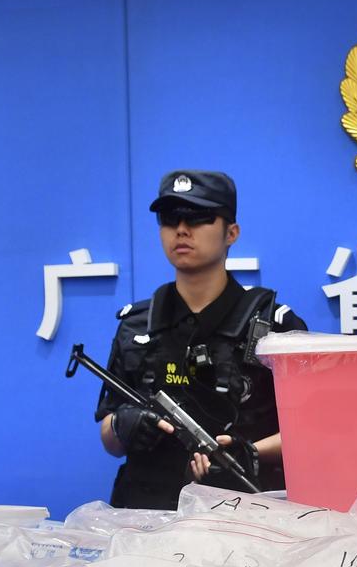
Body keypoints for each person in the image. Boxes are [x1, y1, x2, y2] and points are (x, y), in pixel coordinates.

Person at [95, 170, 306, 509]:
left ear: (231, 232)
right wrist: (122, 425)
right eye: (169, 218)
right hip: (146, 518)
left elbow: (311, 431)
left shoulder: (272, 326)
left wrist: (250, 452)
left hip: (248, 515)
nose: (182, 229)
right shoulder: (137, 325)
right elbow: (110, 438)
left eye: (199, 217)